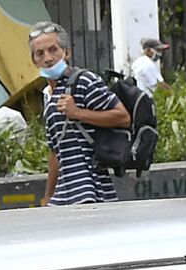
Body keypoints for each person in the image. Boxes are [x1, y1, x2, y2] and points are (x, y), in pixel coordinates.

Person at [30, 21, 130, 206]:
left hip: (92, 190)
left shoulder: (84, 81)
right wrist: (48, 196)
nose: (48, 58)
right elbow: (55, 151)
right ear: (34, 61)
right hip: (64, 194)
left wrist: (78, 112)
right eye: (40, 53)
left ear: (67, 52)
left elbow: (123, 117)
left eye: (54, 50)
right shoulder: (49, 96)